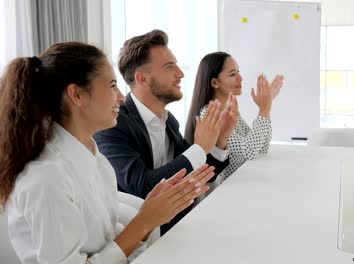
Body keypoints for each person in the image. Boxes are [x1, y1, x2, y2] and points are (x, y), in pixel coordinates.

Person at [0, 42, 216, 264]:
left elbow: (110, 240)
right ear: (77, 94)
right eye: (112, 85)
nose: (121, 97)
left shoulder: (95, 158)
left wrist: (150, 213)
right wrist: (144, 221)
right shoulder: (47, 177)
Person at [94, 30, 237, 233]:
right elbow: (142, 187)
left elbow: (201, 172)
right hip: (139, 242)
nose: (180, 73)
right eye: (170, 66)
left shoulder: (169, 121)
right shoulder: (113, 124)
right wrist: (199, 148)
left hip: (177, 229)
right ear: (142, 79)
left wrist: (220, 140)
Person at [185, 51, 283, 184]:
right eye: (233, 74)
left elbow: (261, 148)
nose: (240, 78)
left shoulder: (228, 109)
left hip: (244, 182)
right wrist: (264, 109)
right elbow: (249, 150)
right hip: (230, 188)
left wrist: (266, 107)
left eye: (238, 71)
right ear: (215, 83)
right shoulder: (209, 114)